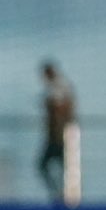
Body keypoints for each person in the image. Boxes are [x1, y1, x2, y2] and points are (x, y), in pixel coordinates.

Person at [38, 61, 75, 202]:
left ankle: (61, 193)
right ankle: (63, 192)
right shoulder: (60, 87)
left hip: (57, 136)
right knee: (61, 165)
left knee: (45, 165)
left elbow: (61, 110)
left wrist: (58, 131)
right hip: (57, 135)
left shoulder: (58, 88)